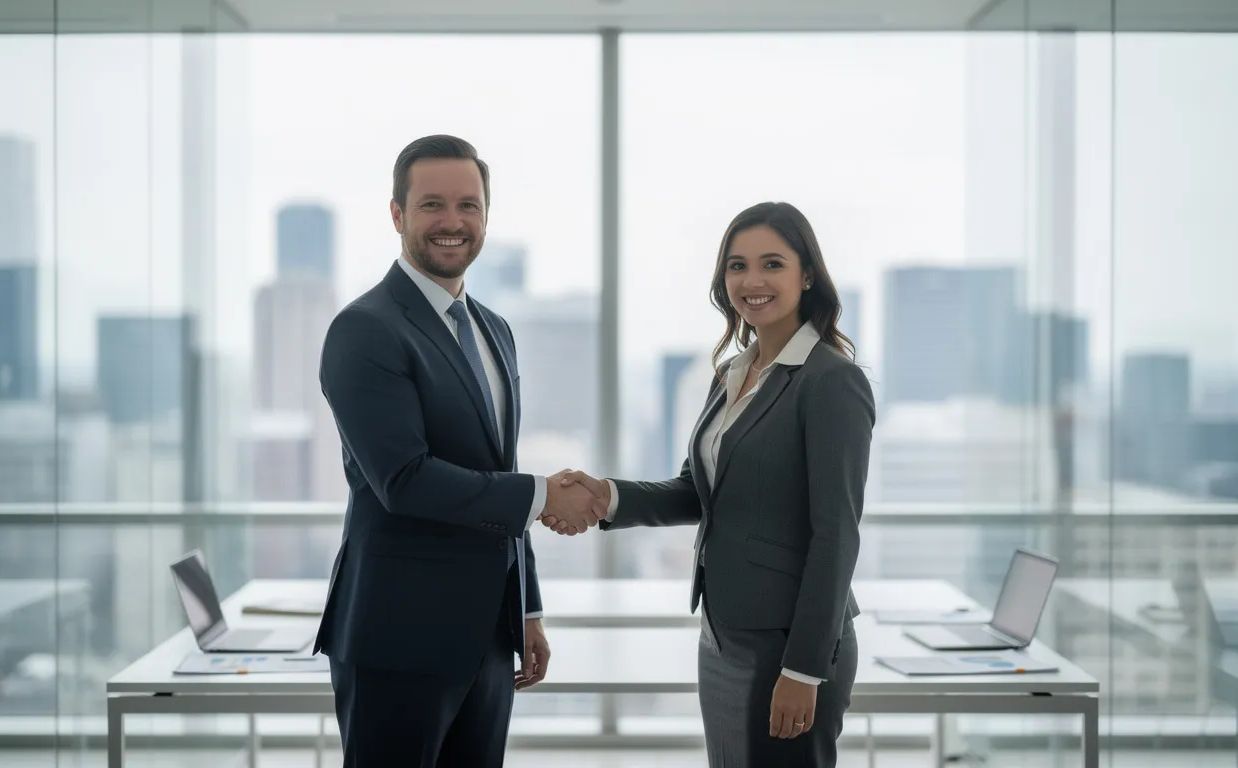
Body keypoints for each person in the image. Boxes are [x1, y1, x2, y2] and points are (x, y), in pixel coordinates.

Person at [546, 201, 874, 767]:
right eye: (737, 266)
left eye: (772, 263)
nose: (753, 281)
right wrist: (607, 496)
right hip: (722, 634)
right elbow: (698, 491)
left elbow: (836, 536)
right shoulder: (732, 372)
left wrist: (804, 668)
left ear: (807, 275)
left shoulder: (831, 382)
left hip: (788, 643)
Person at [313, 134, 604, 768]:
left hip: (490, 638)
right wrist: (545, 494)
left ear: (486, 215)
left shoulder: (494, 329)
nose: (453, 222)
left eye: (468, 205)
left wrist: (526, 605)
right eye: (432, 205)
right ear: (397, 214)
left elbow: (495, 476)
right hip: (398, 637)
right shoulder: (365, 329)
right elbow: (405, 480)